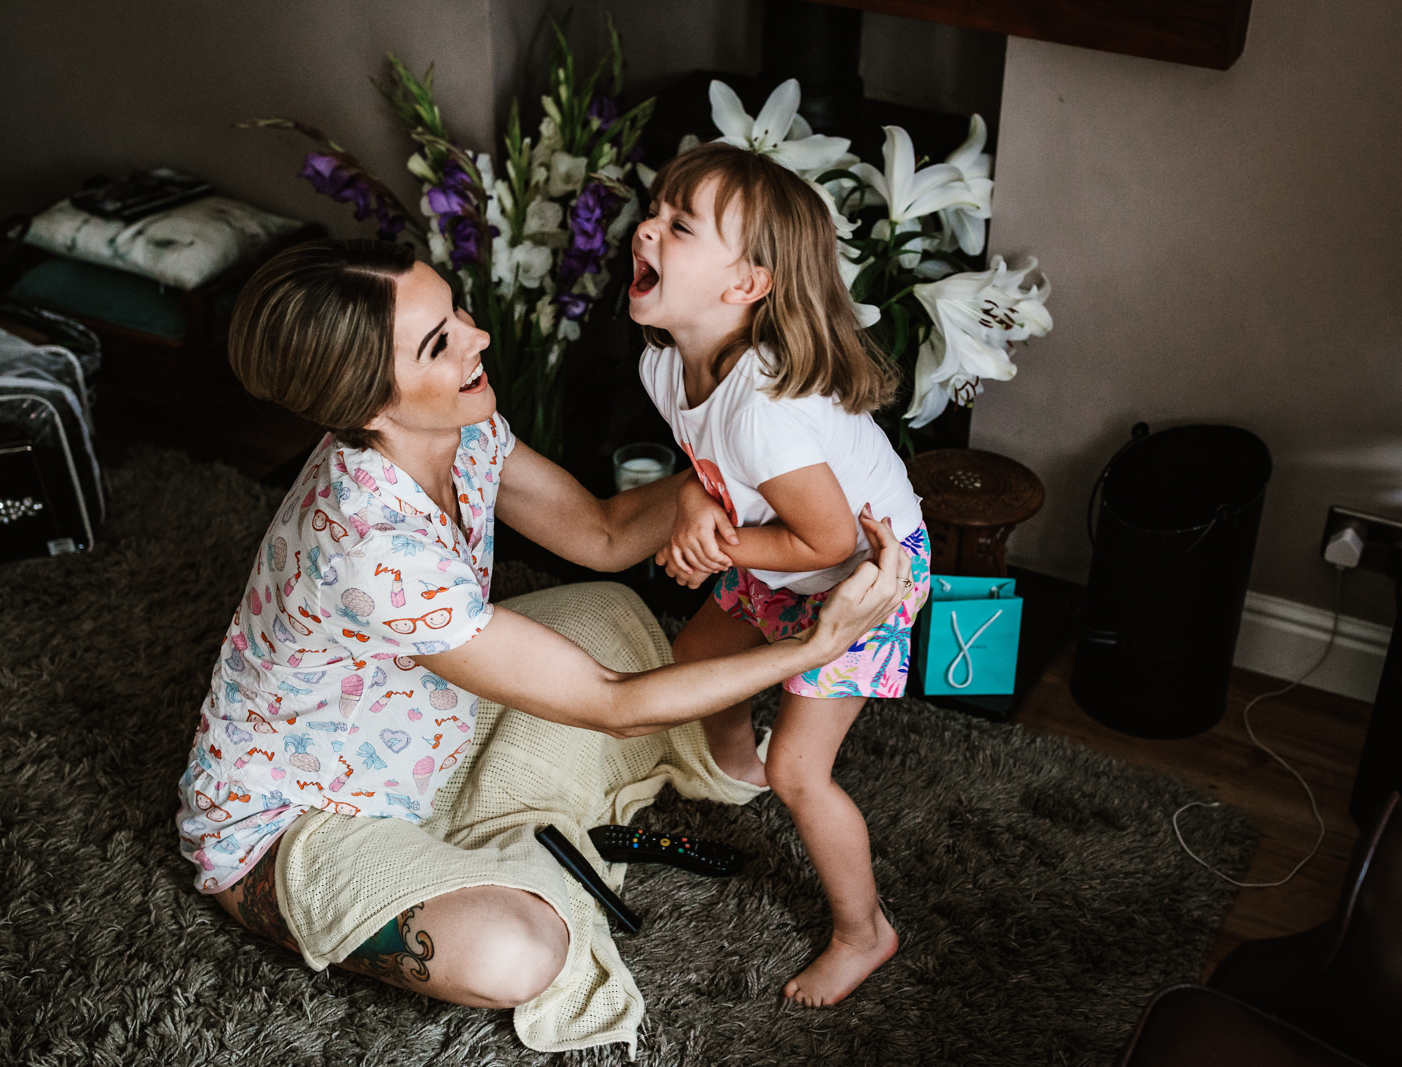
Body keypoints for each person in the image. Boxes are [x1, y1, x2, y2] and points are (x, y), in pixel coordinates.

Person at [175, 238, 915, 1018]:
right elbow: (610, 700)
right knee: (519, 950)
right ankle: (441, 865)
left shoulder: (451, 428)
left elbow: (599, 532)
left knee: (612, 612)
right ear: (368, 406)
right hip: (292, 821)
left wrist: (703, 490)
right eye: (441, 342)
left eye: (456, 310)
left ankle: (486, 828)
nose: (479, 337)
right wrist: (817, 645)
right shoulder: (367, 546)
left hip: (416, 722)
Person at [626, 142, 932, 1007]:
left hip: (862, 569)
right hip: (782, 546)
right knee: (699, 662)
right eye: (657, 209)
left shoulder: (767, 410)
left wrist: (715, 544)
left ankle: (863, 931)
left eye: (680, 226)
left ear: (746, 286)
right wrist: (695, 508)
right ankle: (738, 773)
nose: (648, 226)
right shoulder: (663, 362)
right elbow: (713, 467)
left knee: (805, 771)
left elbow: (829, 535)